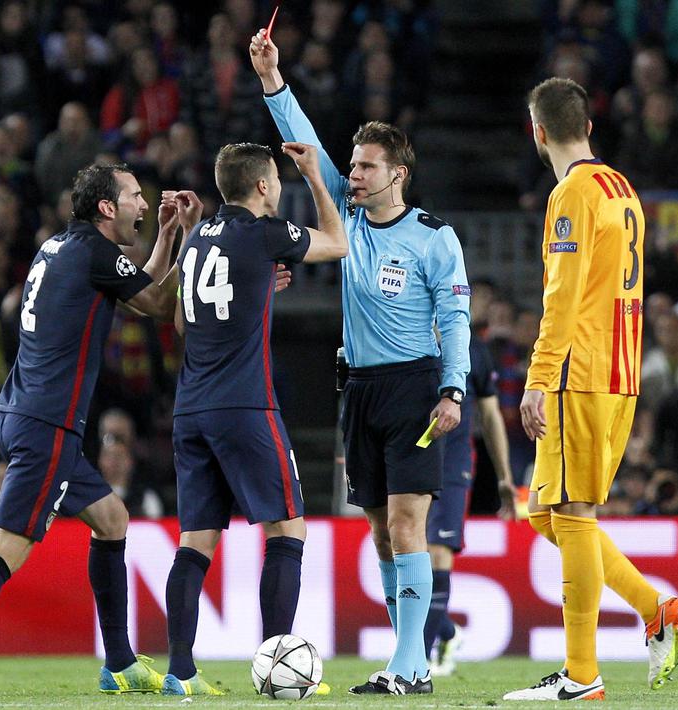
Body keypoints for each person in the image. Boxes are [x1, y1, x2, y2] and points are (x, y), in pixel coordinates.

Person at [0, 163, 183, 697]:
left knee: (111, 518)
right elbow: (159, 303)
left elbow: (137, 290)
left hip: (24, 413)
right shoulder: (96, 254)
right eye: (136, 197)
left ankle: (118, 662)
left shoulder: (57, 247)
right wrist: (183, 237)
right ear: (106, 209)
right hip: (47, 424)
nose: (144, 204)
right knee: (8, 548)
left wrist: (162, 235)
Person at [251, 29, 471, 695]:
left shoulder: (434, 237)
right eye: (352, 163)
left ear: (397, 174)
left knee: (408, 525)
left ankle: (411, 666)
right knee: (379, 534)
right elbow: (305, 145)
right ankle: (407, 661)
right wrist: (270, 77)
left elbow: (456, 317)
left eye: (367, 165)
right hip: (360, 391)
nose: (353, 172)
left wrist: (452, 389)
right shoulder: (343, 220)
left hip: (413, 387)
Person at [505, 77, 678, 702]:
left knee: (574, 516)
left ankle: (582, 676)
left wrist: (537, 376)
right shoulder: (623, 188)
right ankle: (654, 608)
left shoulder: (571, 196)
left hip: (577, 373)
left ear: (538, 132)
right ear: (588, 126)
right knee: (546, 512)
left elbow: (561, 297)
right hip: (620, 371)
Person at [162, 140, 348, 696]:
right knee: (287, 528)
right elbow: (337, 242)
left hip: (190, 407)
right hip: (244, 405)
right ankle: (278, 664)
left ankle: (180, 671)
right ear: (265, 186)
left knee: (195, 541)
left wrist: (260, 284)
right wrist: (315, 177)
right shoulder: (265, 233)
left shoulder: (196, 241)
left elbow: (180, 322)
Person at [424, 331, 516, 677]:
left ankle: (418, 659)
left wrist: (505, 475)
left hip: (452, 463)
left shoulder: (473, 350)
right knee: (399, 556)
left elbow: (491, 416)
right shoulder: (404, 336)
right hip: (409, 460)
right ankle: (447, 632)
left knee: (437, 550)